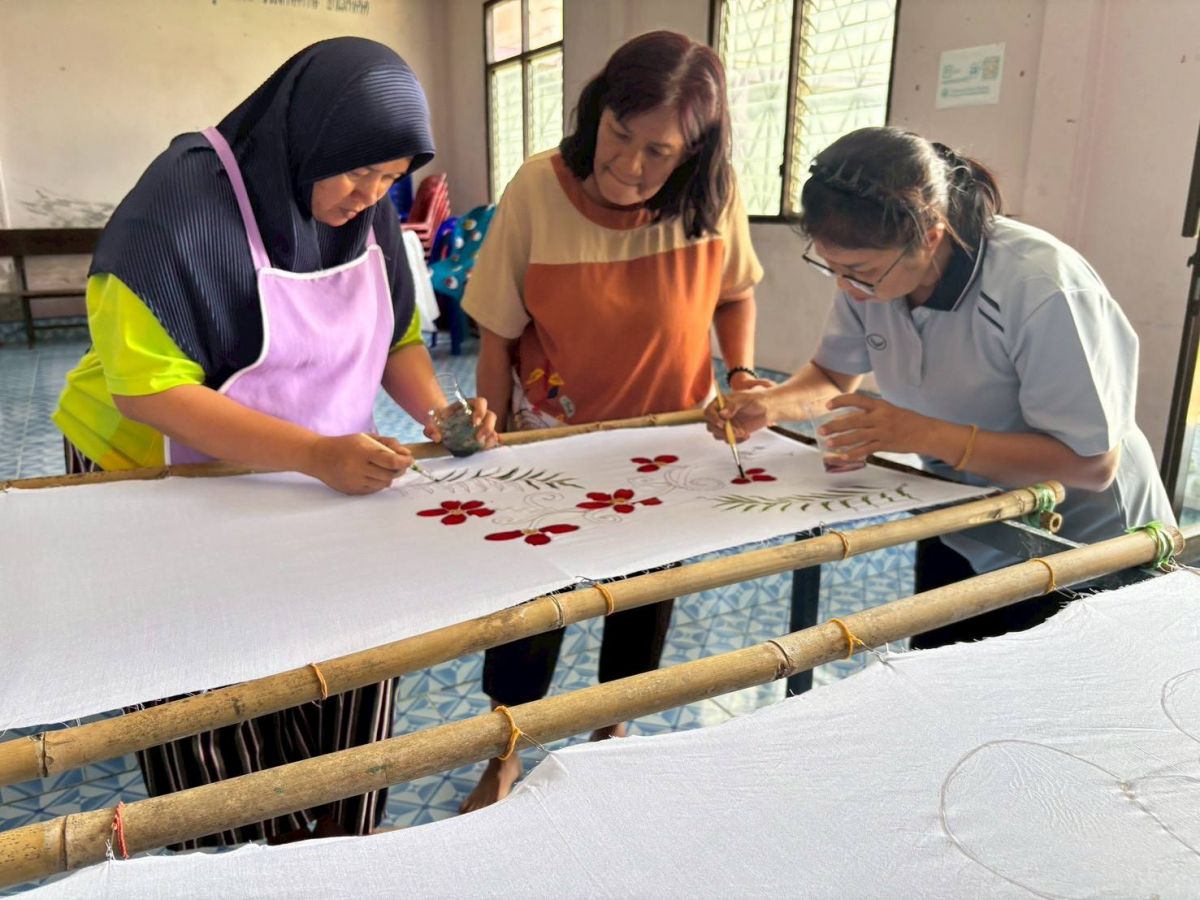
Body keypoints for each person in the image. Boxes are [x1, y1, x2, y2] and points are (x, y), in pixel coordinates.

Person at [52, 37, 497, 845]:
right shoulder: (178, 207)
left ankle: (320, 833)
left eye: (392, 178)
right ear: (311, 137)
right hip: (150, 460)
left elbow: (394, 336)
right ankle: (224, 844)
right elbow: (147, 390)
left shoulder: (364, 208)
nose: (372, 196)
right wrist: (314, 454)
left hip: (304, 464)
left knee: (333, 645)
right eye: (360, 172)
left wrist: (442, 414)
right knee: (199, 668)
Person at [708, 125, 1174, 648]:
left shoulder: (1042, 287)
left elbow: (1090, 464)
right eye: (831, 268)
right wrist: (768, 405)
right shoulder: (872, 279)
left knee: (1044, 687)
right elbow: (831, 376)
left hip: (1080, 546)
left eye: (858, 271)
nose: (847, 289)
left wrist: (921, 434)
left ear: (930, 237)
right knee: (941, 668)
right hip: (966, 514)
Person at [459, 30, 767, 811]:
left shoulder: (713, 195)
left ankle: (613, 733)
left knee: (643, 601)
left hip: (666, 446)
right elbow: (496, 333)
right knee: (532, 610)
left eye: (659, 152)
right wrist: (492, 447)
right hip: (552, 448)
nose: (629, 165)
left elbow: (735, 295)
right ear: (596, 110)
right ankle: (504, 752)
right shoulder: (538, 189)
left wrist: (741, 372)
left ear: (694, 152)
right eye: (620, 135)